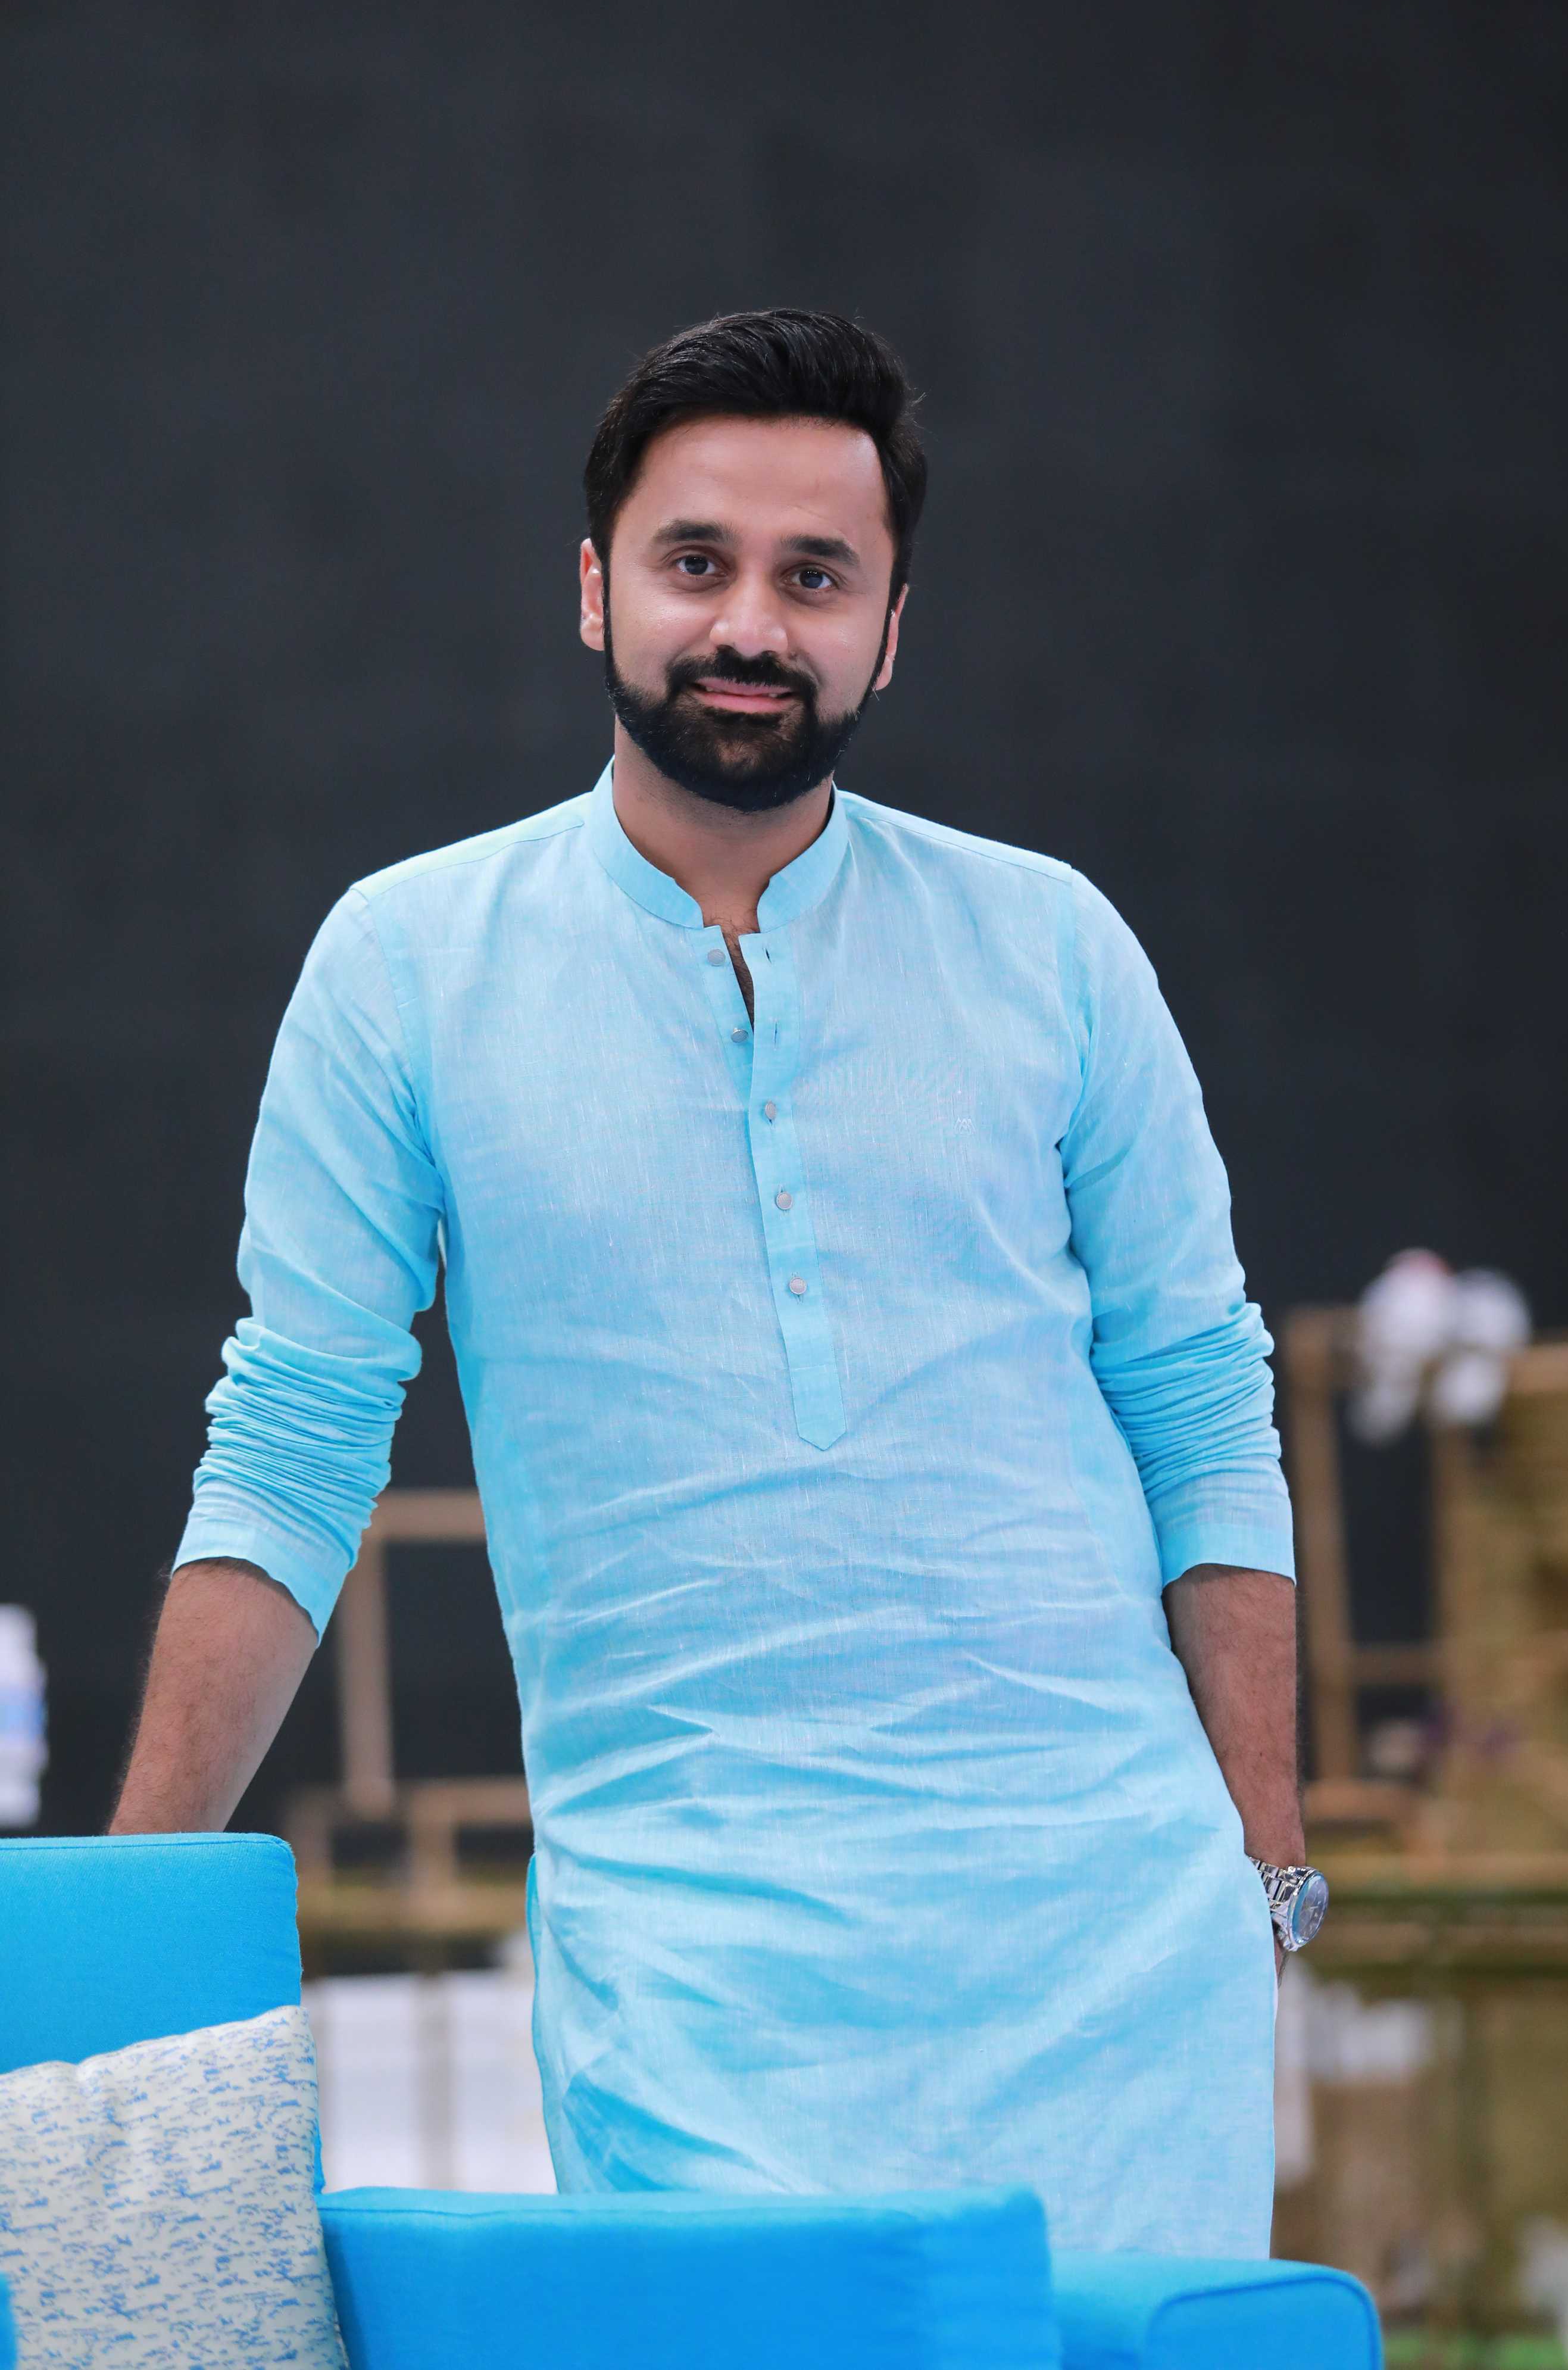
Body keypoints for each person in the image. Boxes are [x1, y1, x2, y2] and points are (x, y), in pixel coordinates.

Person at [112, 308, 1321, 2255]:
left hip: (1114, 1962)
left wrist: (1257, 1867)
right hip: (695, 1987)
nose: (750, 623)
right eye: (697, 562)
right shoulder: (406, 964)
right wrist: (123, 1912)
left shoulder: (1057, 946)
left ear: (891, 628)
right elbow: (293, 1447)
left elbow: (1199, 1401)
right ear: (596, 589)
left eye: (815, 576)